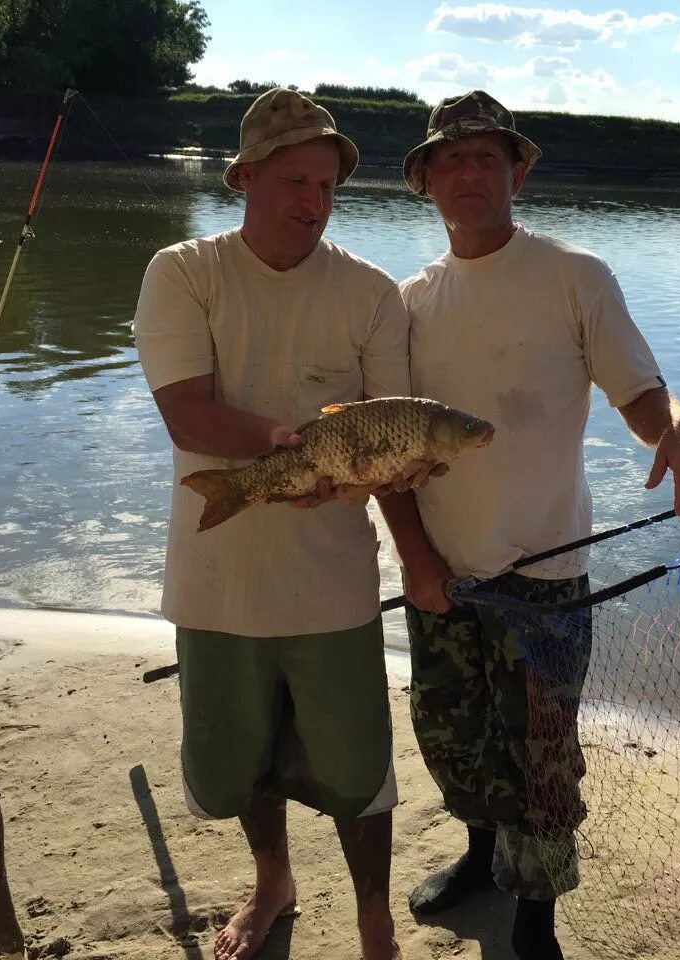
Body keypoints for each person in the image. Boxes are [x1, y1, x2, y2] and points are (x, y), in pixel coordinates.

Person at [377, 90, 680, 960]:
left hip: (549, 575)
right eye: (451, 160)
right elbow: (387, 449)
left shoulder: (576, 275)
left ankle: (537, 918)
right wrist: (414, 559)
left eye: (487, 158)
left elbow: (641, 397)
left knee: (545, 758)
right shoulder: (407, 302)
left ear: (516, 175)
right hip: (443, 572)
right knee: (455, 738)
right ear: (425, 182)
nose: (469, 173)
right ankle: (481, 858)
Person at [132, 87, 411, 960]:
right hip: (218, 579)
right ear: (245, 177)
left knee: (360, 771)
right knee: (239, 761)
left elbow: (392, 432)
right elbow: (186, 414)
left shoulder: (372, 293)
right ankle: (273, 882)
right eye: (295, 181)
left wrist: (397, 502)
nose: (313, 202)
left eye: (326, 185)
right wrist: (288, 448)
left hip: (334, 584)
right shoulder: (184, 273)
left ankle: (374, 921)